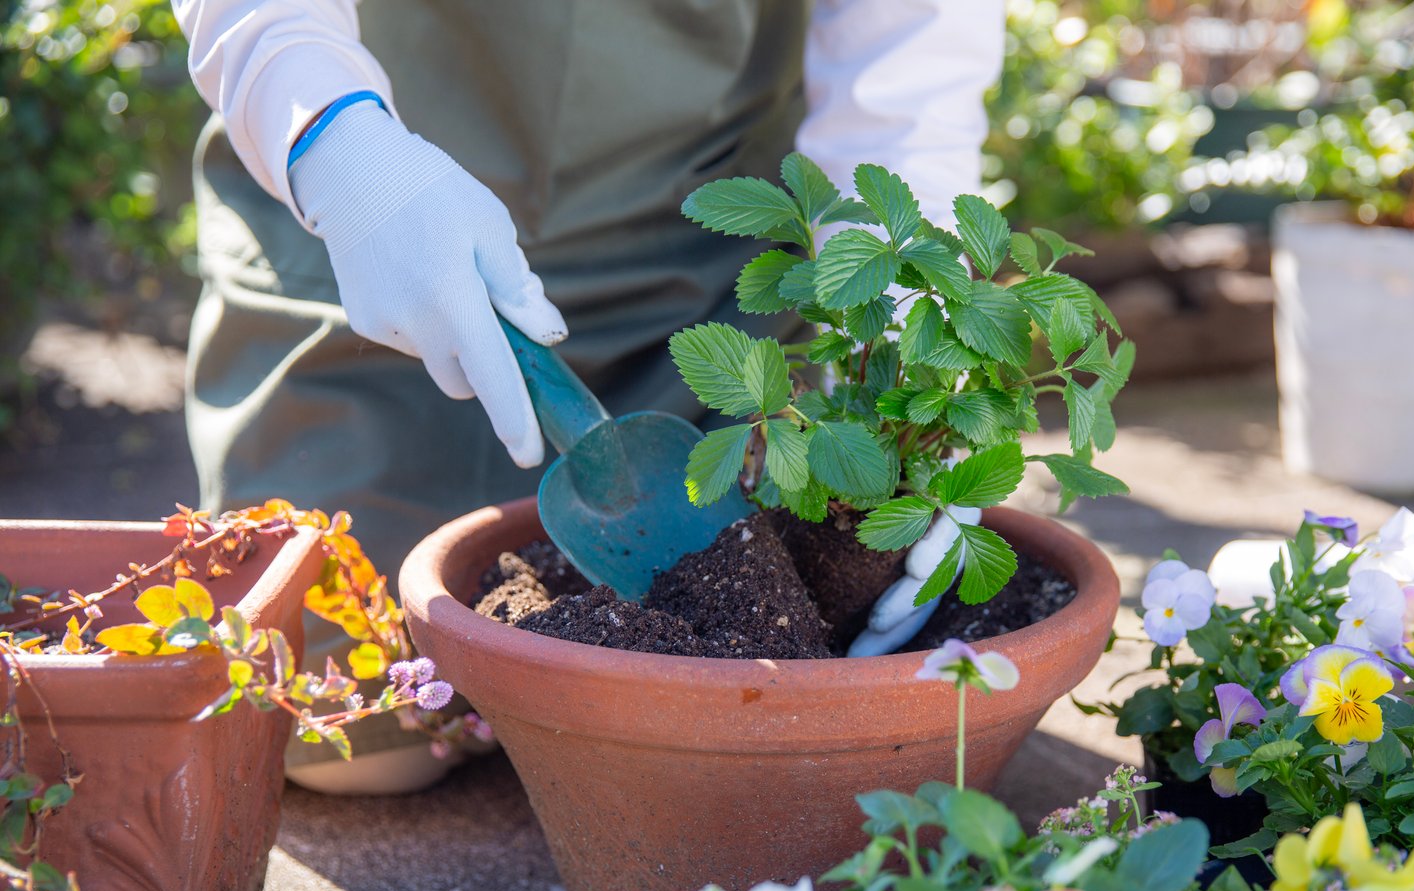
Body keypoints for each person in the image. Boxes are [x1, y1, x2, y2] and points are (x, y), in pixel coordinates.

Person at [172, 0, 1006, 793]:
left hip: (692, 257)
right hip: (380, 236)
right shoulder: (361, 184)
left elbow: (904, 54)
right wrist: (339, 151)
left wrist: (905, 350)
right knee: (347, 741)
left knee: (736, 722)